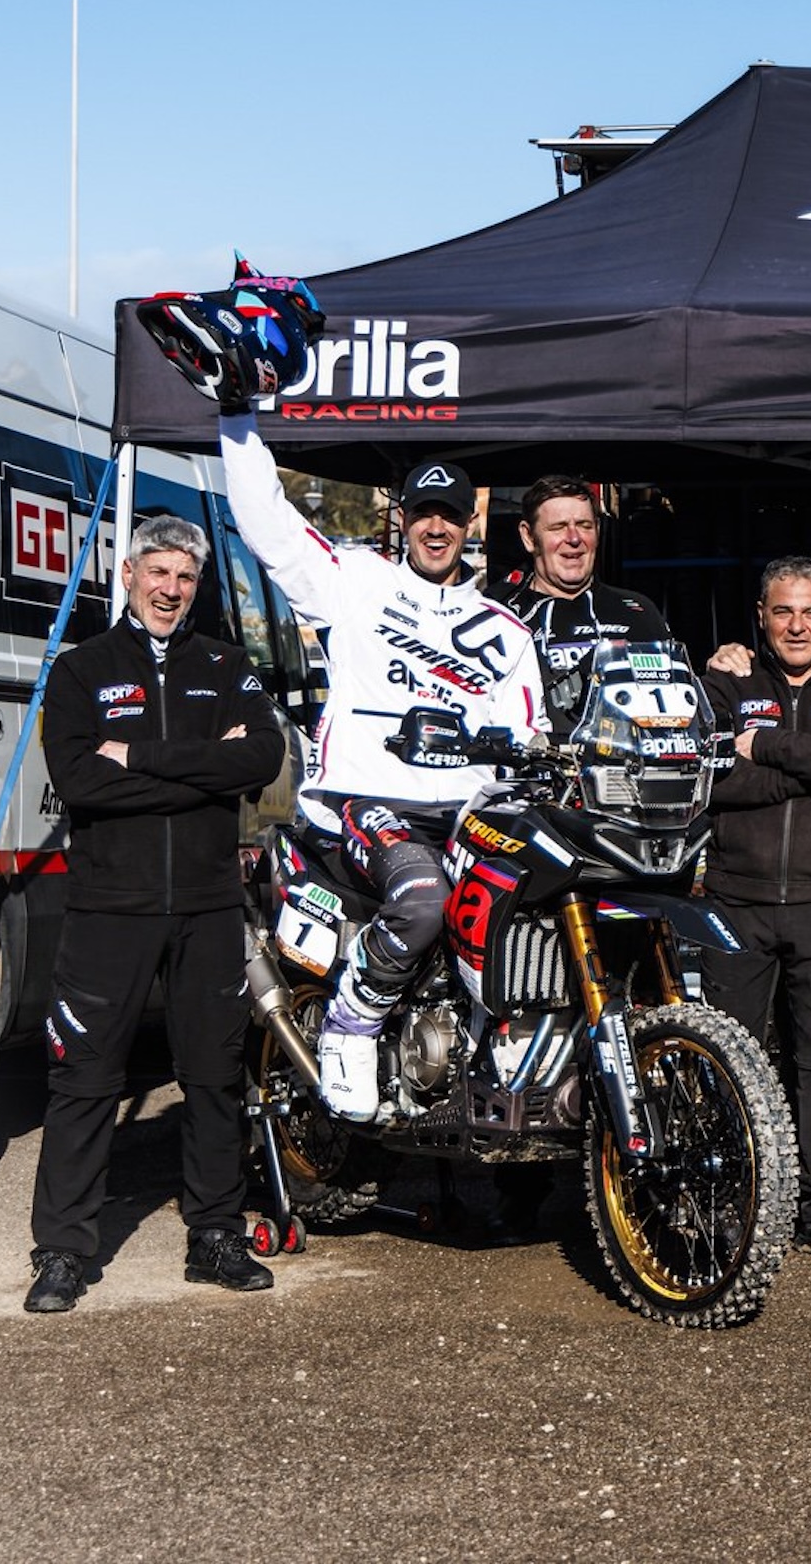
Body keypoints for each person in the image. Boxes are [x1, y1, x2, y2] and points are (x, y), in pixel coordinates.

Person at [218, 419, 546, 1120]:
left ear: (469, 521)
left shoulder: (508, 633)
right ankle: (353, 1017)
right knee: (424, 897)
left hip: (465, 815)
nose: (436, 527)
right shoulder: (355, 581)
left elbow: (527, 737)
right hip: (362, 800)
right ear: (403, 518)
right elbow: (269, 526)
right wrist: (236, 421)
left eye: (449, 514)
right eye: (423, 512)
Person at [24, 515, 289, 1313]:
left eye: (185, 576)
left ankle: (216, 1235)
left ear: (197, 584)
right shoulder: (82, 670)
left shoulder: (226, 663)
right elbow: (79, 779)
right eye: (158, 572)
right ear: (130, 574)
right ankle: (62, 1251)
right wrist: (207, 769)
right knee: (84, 1079)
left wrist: (137, 755)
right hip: (110, 906)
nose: (170, 589)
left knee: (213, 1076)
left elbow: (261, 756)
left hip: (208, 905)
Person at [699, 557, 811, 1262]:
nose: (797, 626)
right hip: (735, 905)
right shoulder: (726, 684)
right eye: (783, 611)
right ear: (761, 615)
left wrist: (771, 751)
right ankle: (731, 1201)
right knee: (730, 1062)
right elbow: (713, 778)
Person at [492, 475, 674, 737]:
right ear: (529, 537)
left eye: (584, 525)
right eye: (558, 527)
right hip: (540, 760)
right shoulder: (498, 615)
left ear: (598, 530)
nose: (574, 538)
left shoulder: (638, 610)